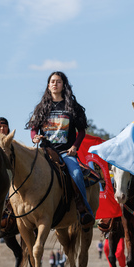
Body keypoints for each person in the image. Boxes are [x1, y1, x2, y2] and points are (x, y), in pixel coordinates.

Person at [27, 71, 94, 228]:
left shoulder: (72, 107)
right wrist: (34, 137)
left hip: (65, 153)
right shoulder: (41, 107)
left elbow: (82, 131)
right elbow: (33, 129)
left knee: (77, 174)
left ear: (64, 85)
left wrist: (74, 147)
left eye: (58, 81)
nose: (54, 84)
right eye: (52, 81)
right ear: (48, 85)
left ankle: (84, 210)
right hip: (45, 152)